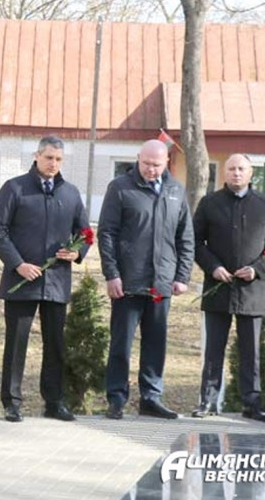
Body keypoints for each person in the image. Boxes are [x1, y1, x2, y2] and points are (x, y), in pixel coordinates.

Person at [0, 136, 90, 423]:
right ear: (37, 156)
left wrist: (76, 252)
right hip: (21, 281)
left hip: (56, 282)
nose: (53, 164)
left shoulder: (70, 193)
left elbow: (84, 233)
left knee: (55, 344)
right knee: (16, 343)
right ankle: (12, 402)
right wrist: (18, 264)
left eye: (58, 159)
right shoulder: (15, 188)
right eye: (49, 158)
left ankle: (54, 401)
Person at [98, 139, 194, 420]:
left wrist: (182, 275)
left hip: (161, 282)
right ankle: (116, 398)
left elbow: (185, 236)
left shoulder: (176, 189)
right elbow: (107, 233)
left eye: (156, 165)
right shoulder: (120, 188)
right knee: (121, 344)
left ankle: (151, 397)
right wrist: (112, 274)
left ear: (166, 163)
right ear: (138, 158)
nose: (150, 170)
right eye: (146, 164)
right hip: (128, 282)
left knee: (156, 344)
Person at [191, 154, 265, 422]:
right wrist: (213, 267)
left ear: (250, 173)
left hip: (251, 290)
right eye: (231, 168)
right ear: (224, 173)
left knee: (250, 352)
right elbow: (195, 243)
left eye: (241, 168)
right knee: (213, 350)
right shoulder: (209, 203)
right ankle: (207, 401)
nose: (236, 173)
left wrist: (257, 269)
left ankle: (251, 405)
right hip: (218, 287)